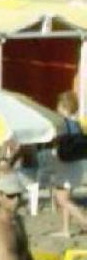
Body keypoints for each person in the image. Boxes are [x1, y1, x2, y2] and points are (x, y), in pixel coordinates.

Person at [50, 90, 87, 237]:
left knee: (61, 199)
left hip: (66, 164)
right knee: (67, 197)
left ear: (63, 106)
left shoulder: (62, 124)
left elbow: (57, 141)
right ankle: (65, 230)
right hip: (77, 162)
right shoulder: (78, 124)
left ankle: (84, 222)